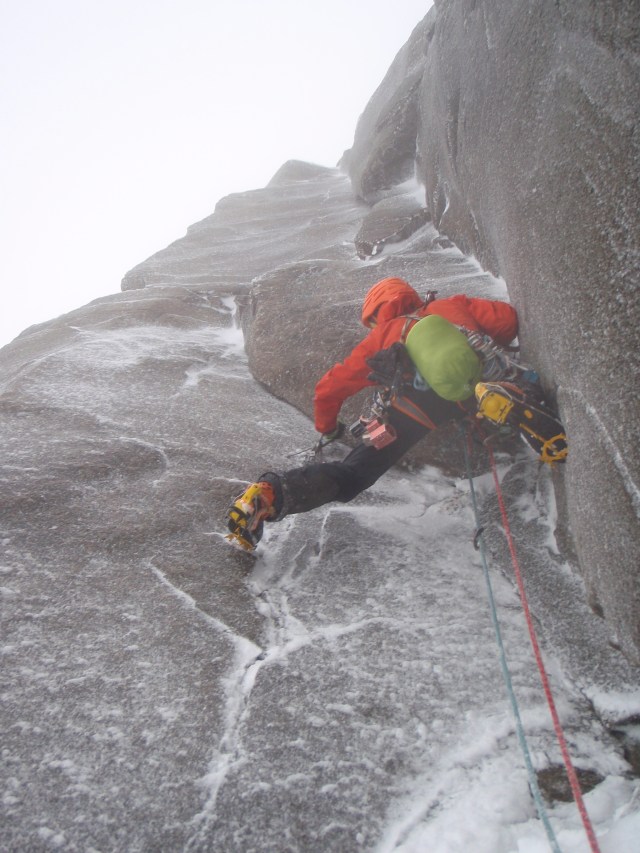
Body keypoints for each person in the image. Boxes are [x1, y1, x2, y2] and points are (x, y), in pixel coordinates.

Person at [226, 277, 519, 551]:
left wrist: (328, 428)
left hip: (410, 412)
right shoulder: (450, 305)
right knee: (499, 391)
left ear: (377, 314)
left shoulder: (381, 338)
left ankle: (270, 494)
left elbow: (329, 389)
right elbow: (508, 320)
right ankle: (515, 415)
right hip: (476, 390)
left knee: (353, 473)